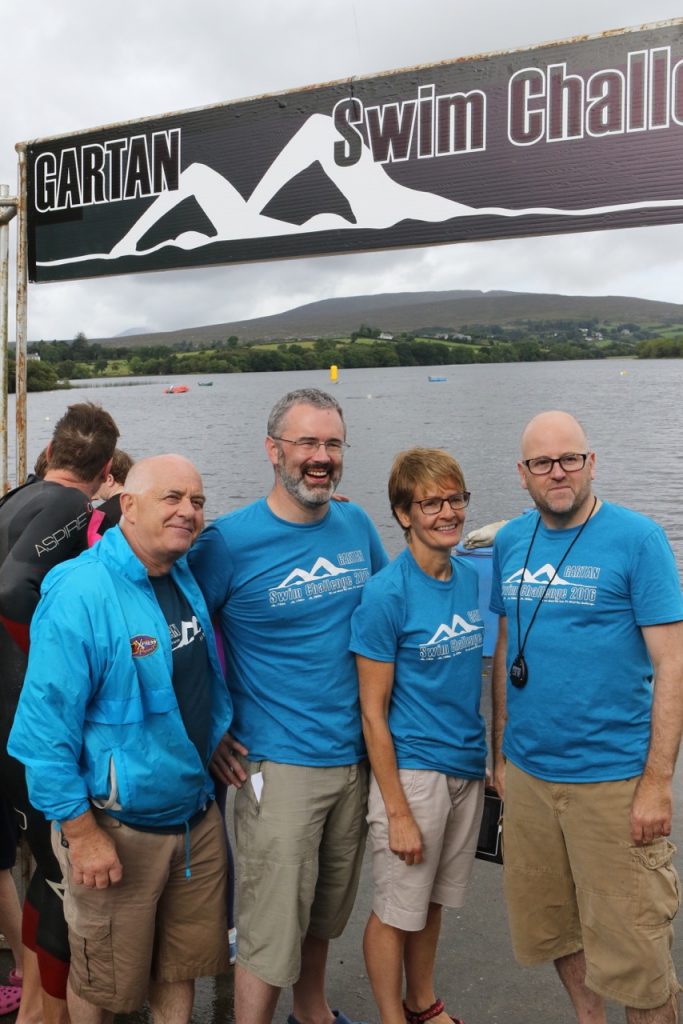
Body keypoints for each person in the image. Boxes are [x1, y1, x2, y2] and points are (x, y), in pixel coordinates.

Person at [8, 454, 233, 1023]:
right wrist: (82, 834)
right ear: (127, 506)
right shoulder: (80, 593)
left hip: (194, 819)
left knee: (178, 968)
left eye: (198, 501)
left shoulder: (180, 574)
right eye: (173, 498)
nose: (188, 512)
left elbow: (191, 680)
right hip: (117, 830)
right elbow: (41, 736)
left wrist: (214, 735)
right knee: (102, 983)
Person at [188, 387, 388, 1024]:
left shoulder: (355, 523)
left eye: (332, 444)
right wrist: (211, 730)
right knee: (271, 926)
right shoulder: (228, 542)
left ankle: (314, 1013)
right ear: (274, 450)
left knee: (325, 909)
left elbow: (391, 609)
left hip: (354, 754)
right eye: (307, 443)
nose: (321, 457)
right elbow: (179, 636)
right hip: (278, 765)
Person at [490, 410, 683, 1024]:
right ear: (522, 475)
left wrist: (656, 782)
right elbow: (504, 648)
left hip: (612, 783)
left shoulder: (638, 539)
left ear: (591, 462)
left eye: (570, 458)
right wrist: (499, 751)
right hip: (529, 777)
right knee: (555, 929)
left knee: (638, 956)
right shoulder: (509, 541)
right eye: (542, 463)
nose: (558, 472)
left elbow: (673, 664)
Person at [349, 448, 486, 1024]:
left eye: (455, 499)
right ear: (404, 515)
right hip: (414, 773)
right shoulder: (387, 595)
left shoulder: (473, 577)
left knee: (430, 904)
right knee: (394, 911)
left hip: (465, 767)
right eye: (431, 503)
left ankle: (422, 1004)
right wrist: (398, 810)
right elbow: (373, 714)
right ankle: (390, 1017)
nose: (447, 512)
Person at [0, 401, 119, 1024]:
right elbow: (12, 589)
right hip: (25, 719)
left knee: (40, 870)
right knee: (55, 876)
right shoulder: (71, 508)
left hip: (6, 718)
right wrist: (44, 655)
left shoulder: (18, 497)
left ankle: (35, 1003)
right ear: (104, 468)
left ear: (49, 451)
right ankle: (51, 1011)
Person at [94, 448, 134, 525]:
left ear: (109, 479)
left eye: (95, 479)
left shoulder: (101, 515)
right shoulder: (143, 504)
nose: (94, 485)